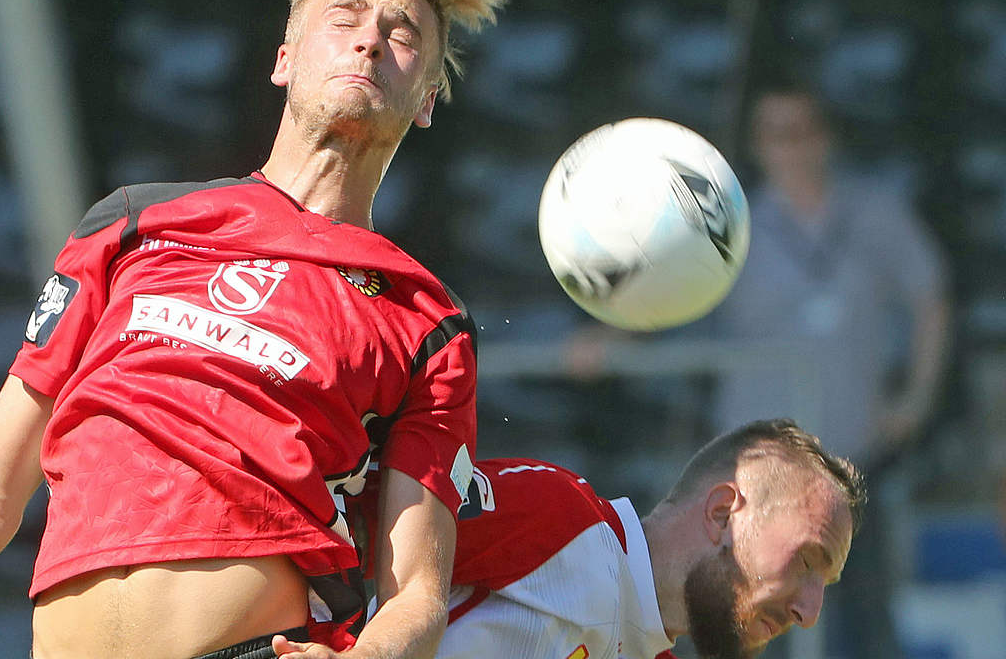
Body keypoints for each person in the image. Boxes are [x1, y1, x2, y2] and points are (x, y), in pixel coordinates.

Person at [0, 0, 509, 659]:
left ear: (426, 99)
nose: (370, 39)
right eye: (343, 18)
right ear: (283, 59)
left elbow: (416, 587)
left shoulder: (425, 318)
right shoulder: (131, 226)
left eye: (404, 32)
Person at [706, 82, 952, 659]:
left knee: (863, 625)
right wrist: (610, 334)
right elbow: (666, 291)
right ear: (757, 145)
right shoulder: (730, 221)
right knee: (744, 622)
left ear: (825, 137)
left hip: (850, 466)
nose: (788, 147)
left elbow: (931, 296)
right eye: (773, 134)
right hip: (752, 477)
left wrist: (916, 397)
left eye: (800, 131)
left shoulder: (874, 212)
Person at [353, 418, 865, 659]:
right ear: (723, 512)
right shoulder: (560, 519)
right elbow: (340, 532)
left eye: (826, 582)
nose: (811, 612)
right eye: (807, 561)